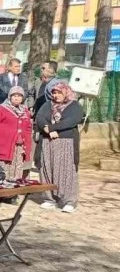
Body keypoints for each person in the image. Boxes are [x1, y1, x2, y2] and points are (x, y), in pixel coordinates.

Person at [35, 80, 84, 213]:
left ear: (66, 93)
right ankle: (49, 198)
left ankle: (69, 201)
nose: (56, 95)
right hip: (47, 142)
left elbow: (71, 121)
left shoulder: (74, 106)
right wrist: (48, 130)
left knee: (66, 171)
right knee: (47, 170)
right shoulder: (48, 105)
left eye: (59, 92)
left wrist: (52, 128)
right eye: (54, 93)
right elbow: (39, 117)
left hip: (65, 143)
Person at [0, 86, 33, 203]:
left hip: (20, 147)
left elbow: (28, 128)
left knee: (17, 170)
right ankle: (0, 195)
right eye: (14, 96)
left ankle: (12, 195)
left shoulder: (25, 111)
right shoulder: (1, 109)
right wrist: (3, 135)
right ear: (10, 97)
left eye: (19, 96)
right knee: (4, 169)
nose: (17, 98)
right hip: (6, 145)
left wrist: (27, 143)